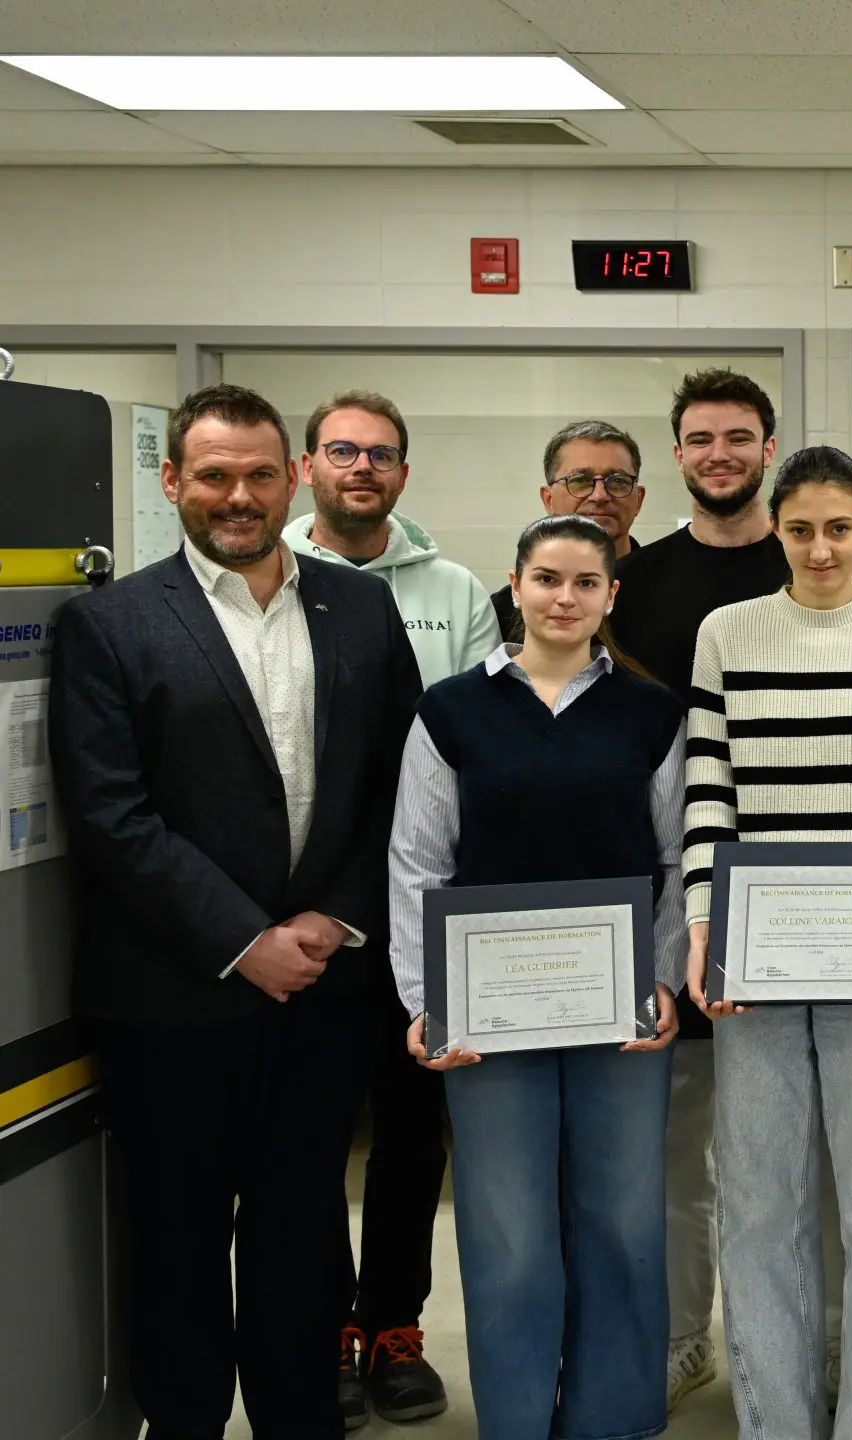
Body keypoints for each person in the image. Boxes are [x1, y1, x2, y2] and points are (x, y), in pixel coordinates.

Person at [50, 383, 422, 1438]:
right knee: (175, 1245)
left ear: (292, 477)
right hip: (170, 1000)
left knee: (304, 1240)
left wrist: (333, 921)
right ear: (172, 482)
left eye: (261, 473)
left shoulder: (361, 607)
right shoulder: (109, 625)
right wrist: (241, 939)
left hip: (322, 988)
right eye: (213, 475)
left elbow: (399, 783)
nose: (238, 496)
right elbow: (112, 817)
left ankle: (302, 1420)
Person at [386, 514, 686, 1440]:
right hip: (488, 1011)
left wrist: (666, 977)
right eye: (547, 579)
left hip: (621, 1007)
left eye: (585, 583)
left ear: (610, 596)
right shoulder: (452, 710)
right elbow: (417, 863)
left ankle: (614, 1417)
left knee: (625, 1221)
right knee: (509, 1233)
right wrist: (424, 1001)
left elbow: (676, 860)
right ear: (513, 586)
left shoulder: (651, 711)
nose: (565, 599)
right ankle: (516, 1419)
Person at [681, 446, 852, 1440]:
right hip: (754, 953)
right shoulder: (727, 632)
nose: (821, 547)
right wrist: (705, 922)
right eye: (800, 529)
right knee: (758, 1210)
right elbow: (708, 789)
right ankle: (776, 1420)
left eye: (839, 528)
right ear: (775, 532)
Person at [278, 387, 498, 1426]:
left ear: (403, 475)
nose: (361, 468)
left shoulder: (452, 589)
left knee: (415, 1131)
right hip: (300, 919)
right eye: (341, 451)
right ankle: (325, 1325)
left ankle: (395, 1324)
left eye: (381, 455)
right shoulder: (262, 572)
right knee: (315, 1132)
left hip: (419, 904)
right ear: (307, 468)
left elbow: (468, 744)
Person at [610, 367, 793, 1404]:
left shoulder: (814, 561)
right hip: (673, 900)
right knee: (679, 1150)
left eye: (739, 436)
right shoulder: (637, 580)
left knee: (785, 1159)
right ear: (676, 455)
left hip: (803, 899)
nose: (720, 454)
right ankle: (687, 1335)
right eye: (700, 439)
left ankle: (788, 1341)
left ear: (767, 446)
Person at [492, 419, 652, 639]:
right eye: (580, 480)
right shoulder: (505, 613)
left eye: (617, 481)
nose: (599, 495)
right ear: (548, 499)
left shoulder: (674, 594)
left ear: (639, 499)